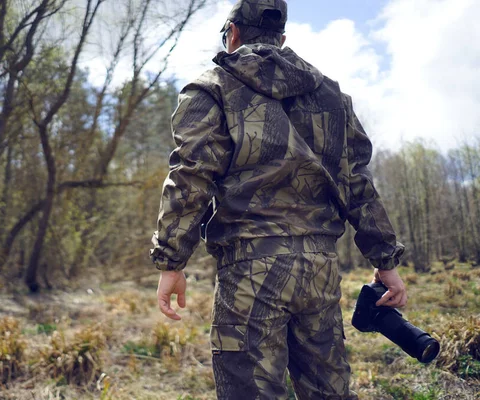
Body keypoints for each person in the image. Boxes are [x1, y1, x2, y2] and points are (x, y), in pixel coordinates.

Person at [150, 1, 407, 398]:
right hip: (319, 270)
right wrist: (385, 260)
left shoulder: (212, 88)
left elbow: (191, 177)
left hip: (251, 270)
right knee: (328, 392)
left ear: (232, 34)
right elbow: (356, 181)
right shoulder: (333, 98)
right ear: (282, 40)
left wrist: (171, 261)